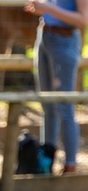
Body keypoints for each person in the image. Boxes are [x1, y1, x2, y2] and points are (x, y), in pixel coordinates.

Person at [24, 0, 87, 174]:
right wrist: (41, 9)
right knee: (47, 106)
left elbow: (83, 19)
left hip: (65, 41)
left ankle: (70, 164)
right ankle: (46, 161)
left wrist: (49, 8)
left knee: (65, 108)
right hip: (44, 37)